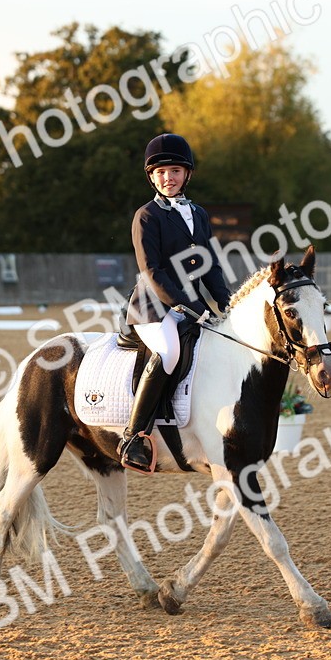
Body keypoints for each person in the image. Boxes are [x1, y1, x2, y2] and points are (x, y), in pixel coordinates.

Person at [119, 133, 232, 474]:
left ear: (187, 174)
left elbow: (209, 265)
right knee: (169, 353)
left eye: (175, 171)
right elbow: (151, 270)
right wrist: (188, 306)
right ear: (152, 176)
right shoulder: (146, 216)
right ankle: (134, 436)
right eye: (162, 172)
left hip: (190, 305)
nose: (169, 177)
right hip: (154, 307)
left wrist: (227, 307)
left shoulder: (198, 214)